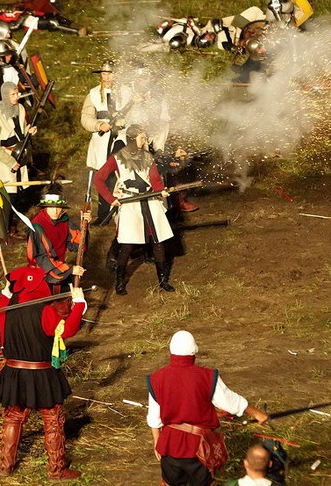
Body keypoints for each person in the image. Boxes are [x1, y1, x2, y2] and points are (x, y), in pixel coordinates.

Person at [0, 266, 87, 480]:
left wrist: (4, 295)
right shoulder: (45, 310)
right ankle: (57, 470)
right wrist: (80, 305)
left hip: (14, 371)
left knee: (13, 417)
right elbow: (66, 330)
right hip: (41, 373)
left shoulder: (7, 307)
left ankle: (6, 466)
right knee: (53, 418)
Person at [147, 331, 269, 486]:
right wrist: (256, 413)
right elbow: (230, 402)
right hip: (200, 448)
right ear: (194, 351)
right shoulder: (207, 377)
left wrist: (158, 441)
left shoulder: (156, 378)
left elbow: (154, 417)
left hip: (170, 447)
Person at [93, 124, 175, 295]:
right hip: (130, 202)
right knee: (128, 244)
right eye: (142, 138)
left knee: (158, 242)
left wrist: (161, 191)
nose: (144, 141)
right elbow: (98, 179)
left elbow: (154, 179)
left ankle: (163, 280)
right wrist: (111, 199)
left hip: (149, 200)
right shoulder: (117, 158)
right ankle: (120, 282)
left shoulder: (147, 156)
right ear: (132, 138)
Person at [81, 60, 133, 222]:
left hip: (122, 138)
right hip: (102, 141)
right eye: (104, 73)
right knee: (103, 176)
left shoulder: (127, 92)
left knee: (123, 175)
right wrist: (98, 124)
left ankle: (125, 212)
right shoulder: (94, 94)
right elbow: (85, 118)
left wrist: (125, 123)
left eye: (110, 73)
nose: (107, 77)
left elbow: (134, 116)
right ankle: (103, 214)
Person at [0, 81, 36, 240]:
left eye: (17, 93)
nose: (17, 96)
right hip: (5, 161)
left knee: (20, 194)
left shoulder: (20, 109)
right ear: (6, 95)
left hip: (20, 156)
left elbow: (22, 131)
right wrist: (10, 162)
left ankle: (12, 228)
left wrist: (30, 130)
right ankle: (3, 230)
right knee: (7, 198)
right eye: (13, 94)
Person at [26, 190, 89, 294]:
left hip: (60, 268)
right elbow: (41, 258)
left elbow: (78, 245)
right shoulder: (37, 226)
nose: (55, 211)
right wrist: (70, 270)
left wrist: (85, 225)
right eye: (51, 207)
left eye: (58, 207)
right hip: (43, 274)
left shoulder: (64, 220)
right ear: (44, 208)